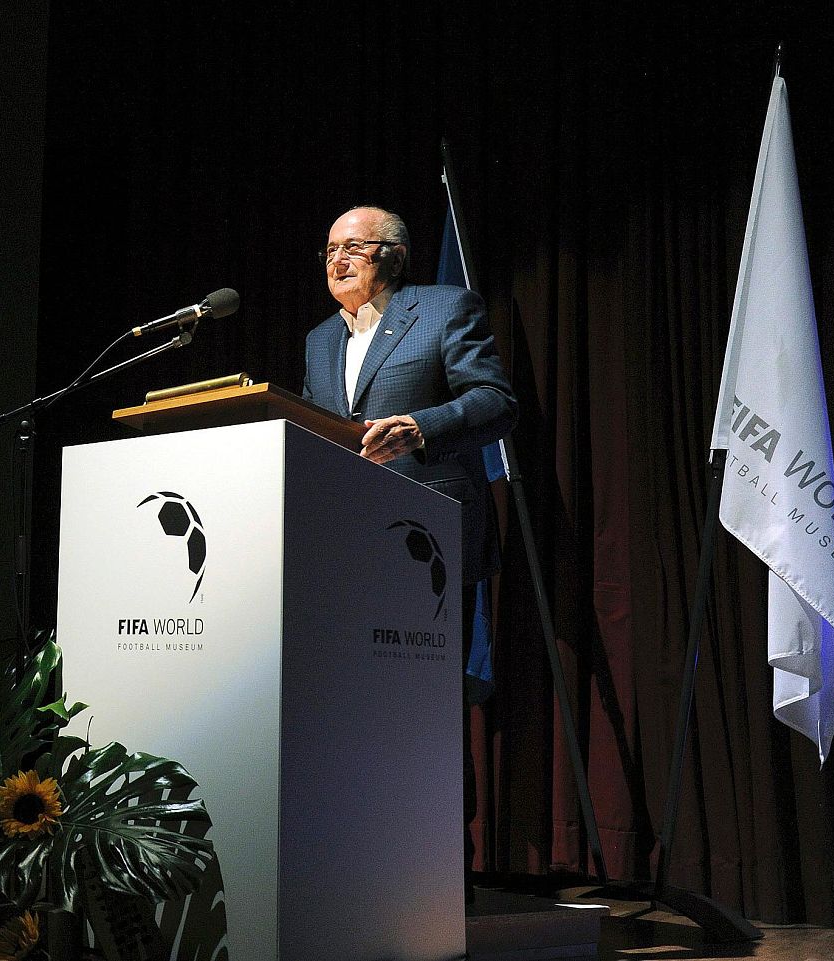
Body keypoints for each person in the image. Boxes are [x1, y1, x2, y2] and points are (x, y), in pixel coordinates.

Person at [302, 205, 517, 902]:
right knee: (356, 710)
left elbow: (496, 401)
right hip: (347, 547)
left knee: (428, 709)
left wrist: (420, 427)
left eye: (353, 247)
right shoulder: (319, 342)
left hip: (429, 550)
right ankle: (363, 871)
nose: (337, 260)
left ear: (393, 255)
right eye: (330, 249)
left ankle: (442, 879)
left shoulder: (443, 309)